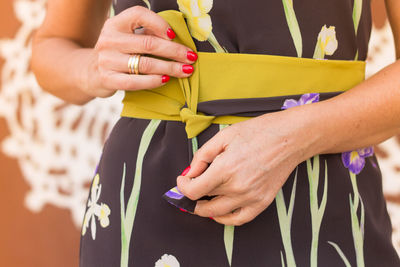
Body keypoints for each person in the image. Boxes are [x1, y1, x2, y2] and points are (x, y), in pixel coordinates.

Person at [31, 0, 400, 266]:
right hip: (147, 208)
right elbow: (53, 45)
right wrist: (94, 67)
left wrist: (294, 136)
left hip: (323, 206)